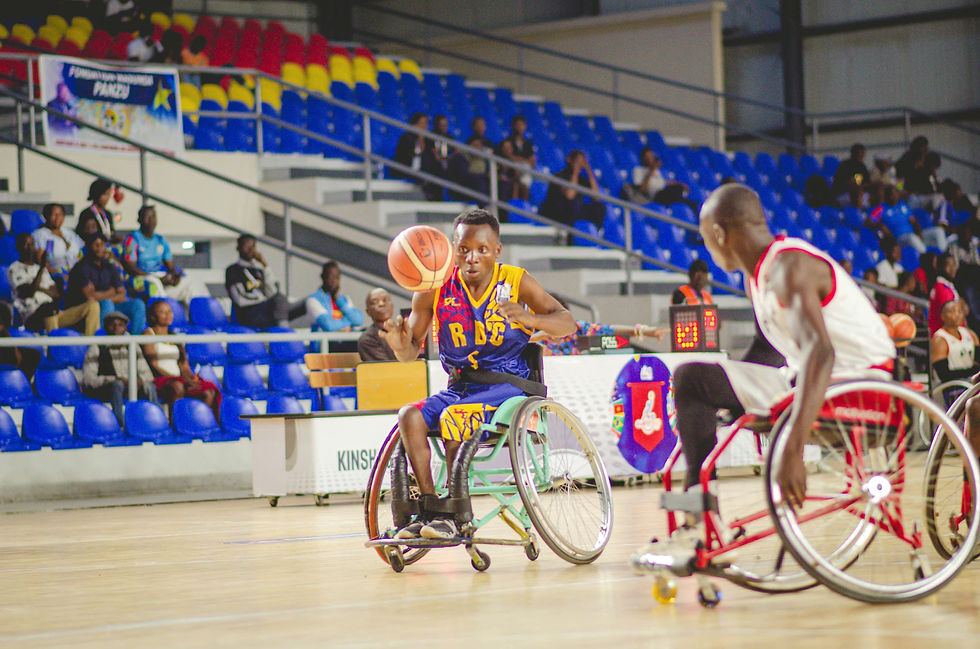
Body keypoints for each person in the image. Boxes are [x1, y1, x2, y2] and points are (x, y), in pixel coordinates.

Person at [633, 184, 895, 566]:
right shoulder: (758, 275)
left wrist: (793, 449)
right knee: (693, 381)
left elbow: (820, 352)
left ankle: (699, 522)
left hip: (859, 382)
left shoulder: (789, 268)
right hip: (808, 378)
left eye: (706, 239)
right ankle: (700, 520)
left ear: (719, 233)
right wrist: (725, 398)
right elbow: (765, 350)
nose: (708, 248)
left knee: (694, 381)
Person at [381, 207, 576, 539]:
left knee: (454, 417)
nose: (472, 257)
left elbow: (567, 322)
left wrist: (531, 319)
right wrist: (399, 345)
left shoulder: (515, 281)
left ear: (496, 251)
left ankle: (455, 517)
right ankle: (429, 509)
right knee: (409, 416)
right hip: (461, 386)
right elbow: (409, 351)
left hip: (508, 387)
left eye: (482, 249)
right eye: (464, 249)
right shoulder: (434, 285)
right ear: (453, 250)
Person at [142, 300, 222, 421]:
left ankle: (203, 423)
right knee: (177, 387)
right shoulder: (148, 334)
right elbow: (153, 364)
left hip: (179, 379)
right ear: (153, 317)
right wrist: (177, 379)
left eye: (169, 311)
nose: (168, 315)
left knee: (209, 391)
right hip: (160, 379)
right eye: (163, 312)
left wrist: (192, 379)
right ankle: (177, 423)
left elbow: (183, 365)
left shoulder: (175, 337)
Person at [7, 233, 99, 335]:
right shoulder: (14, 268)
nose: (30, 248)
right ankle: (54, 344)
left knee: (92, 305)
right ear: (18, 247)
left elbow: (56, 293)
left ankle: (90, 343)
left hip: (54, 313)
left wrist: (38, 287)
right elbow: (28, 292)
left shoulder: (39, 268)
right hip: (32, 317)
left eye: (32, 244)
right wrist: (42, 268)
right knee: (48, 308)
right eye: (26, 244)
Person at [82, 311, 158, 426]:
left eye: (120, 325)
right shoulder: (96, 347)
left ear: (125, 328)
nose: (116, 327)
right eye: (112, 324)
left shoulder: (132, 346)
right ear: (105, 328)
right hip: (107, 389)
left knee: (149, 386)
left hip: (131, 387)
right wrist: (115, 379)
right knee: (117, 385)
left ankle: (156, 420)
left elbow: (147, 374)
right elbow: (89, 379)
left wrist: (139, 380)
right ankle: (120, 424)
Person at [122, 205, 208, 305]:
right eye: (147, 217)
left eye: (153, 217)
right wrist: (153, 277)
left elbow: (170, 267)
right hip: (143, 278)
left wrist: (173, 276)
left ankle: (201, 312)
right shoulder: (133, 239)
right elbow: (130, 267)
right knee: (154, 283)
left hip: (160, 277)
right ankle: (161, 311)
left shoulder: (160, 240)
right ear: (139, 220)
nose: (151, 220)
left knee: (192, 281)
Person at [66, 233, 146, 336]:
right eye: (96, 245)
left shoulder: (110, 267)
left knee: (138, 305)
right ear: (88, 247)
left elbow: (122, 295)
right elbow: (89, 297)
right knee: (107, 304)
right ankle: (102, 342)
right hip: (87, 310)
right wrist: (111, 292)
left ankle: (135, 341)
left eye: (102, 244)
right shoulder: (81, 268)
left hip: (110, 306)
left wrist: (101, 296)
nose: (100, 248)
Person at [532, 295, 666, 356]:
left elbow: (609, 330)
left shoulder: (578, 329)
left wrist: (645, 331)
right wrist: (537, 337)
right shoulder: (536, 338)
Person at [226, 234, 302, 329]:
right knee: (278, 301)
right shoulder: (233, 270)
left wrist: (265, 265)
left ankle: (288, 331)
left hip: (265, 310)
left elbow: (272, 293)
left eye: (253, 246)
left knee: (304, 305)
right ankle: (285, 334)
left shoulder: (258, 270)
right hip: (247, 314)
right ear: (238, 248)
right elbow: (240, 299)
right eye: (247, 246)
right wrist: (263, 299)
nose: (251, 250)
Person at [539, 149, 605, 231]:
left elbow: (596, 197)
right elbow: (569, 195)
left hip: (575, 210)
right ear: (570, 160)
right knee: (573, 204)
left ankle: (594, 233)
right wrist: (575, 172)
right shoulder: (560, 176)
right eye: (577, 162)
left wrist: (589, 171)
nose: (580, 165)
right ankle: (569, 234)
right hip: (557, 211)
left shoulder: (581, 179)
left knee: (599, 207)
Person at [305, 261, 364, 335]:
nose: (334, 281)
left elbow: (358, 320)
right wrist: (348, 323)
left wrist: (338, 300)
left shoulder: (344, 300)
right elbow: (328, 325)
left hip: (345, 338)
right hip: (326, 340)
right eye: (331, 277)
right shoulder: (313, 300)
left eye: (337, 278)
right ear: (323, 277)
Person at [32, 203, 85, 284]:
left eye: (60, 214)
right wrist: (59, 274)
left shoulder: (69, 233)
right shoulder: (40, 235)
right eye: (54, 214)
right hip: (55, 275)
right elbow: (41, 261)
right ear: (46, 216)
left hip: (76, 271)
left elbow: (81, 251)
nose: (57, 218)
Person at [930, 300, 979, 384]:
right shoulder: (939, 339)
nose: (957, 315)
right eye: (952, 311)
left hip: (971, 383)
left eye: (959, 311)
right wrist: (972, 373)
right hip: (951, 386)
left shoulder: (971, 334)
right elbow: (944, 375)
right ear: (942, 316)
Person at [630, 147, 695, 209]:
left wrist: (680, 184)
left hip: (663, 192)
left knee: (679, 190)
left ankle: (692, 205)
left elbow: (663, 182)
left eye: (651, 156)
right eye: (647, 157)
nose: (650, 159)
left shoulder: (656, 171)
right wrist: (652, 171)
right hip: (654, 197)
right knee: (677, 191)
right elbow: (641, 189)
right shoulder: (638, 170)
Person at [498, 115, 534, 199]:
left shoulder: (527, 144)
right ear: (513, 126)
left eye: (521, 125)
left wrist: (519, 160)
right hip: (511, 171)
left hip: (525, 170)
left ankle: (524, 203)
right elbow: (509, 157)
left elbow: (533, 162)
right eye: (517, 125)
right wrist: (524, 160)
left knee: (527, 175)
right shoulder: (507, 142)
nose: (519, 127)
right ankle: (516, 201)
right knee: (518, 175)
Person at [0, 304, 40, 379]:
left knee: (34, 355)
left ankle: (23, 382)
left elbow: (3, 328)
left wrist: (15, 349)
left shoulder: (2, 308)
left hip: (3, 346)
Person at [357, 288, 398, 362]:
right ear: (368, 312)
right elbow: (386, 367)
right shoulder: (368, 339)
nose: (381, 304)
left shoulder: (403, 332)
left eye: (385, 300)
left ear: (392, 306)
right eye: (375, 302)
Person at [76, 178, 120, 244]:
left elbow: (111, 233)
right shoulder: (86, 214)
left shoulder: (108, 214)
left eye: (109, 195)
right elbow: (81, 234)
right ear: (97, 194)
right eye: (105, 194)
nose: (107, 198)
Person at [928, 252, 964, 335]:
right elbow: (950, 317)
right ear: (940, 267)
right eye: (948, 265)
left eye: (954, 265)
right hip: (946, 336)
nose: (953, 268)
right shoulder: (942, 289)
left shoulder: (946, 286)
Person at [420, 114, 452, 201]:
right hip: (435, 165)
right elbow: (434, 155)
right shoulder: (431, 136)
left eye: (445, 125)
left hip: (448, 164)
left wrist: (449, 158)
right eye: (441, 125)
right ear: (436, 125)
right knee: (437, 167)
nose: (443, 128)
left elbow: (456, 151)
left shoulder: (449, 138)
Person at [831, 143, 871, 208]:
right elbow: (844, 183)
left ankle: (880, 212)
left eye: (862, 154)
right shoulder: (844, 166)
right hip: (844, 194)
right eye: (858, 154)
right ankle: (858, 213)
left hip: (861, 193)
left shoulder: (862, 167)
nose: (861, 156)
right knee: (857, 192)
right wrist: (858, 186)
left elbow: (867, 182)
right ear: (853, 154)